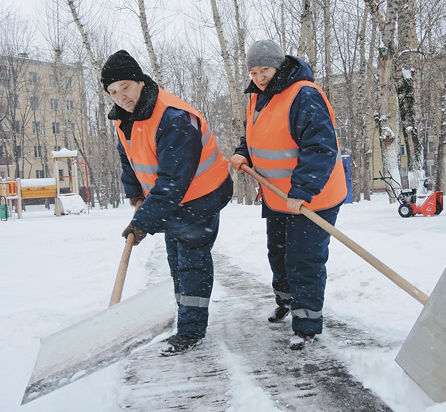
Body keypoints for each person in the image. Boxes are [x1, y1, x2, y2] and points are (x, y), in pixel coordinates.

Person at [101, 50, 233, 356]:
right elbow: (129, 160)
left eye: (125, 87)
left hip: (201, 196)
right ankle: (185, 315)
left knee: (191, 262)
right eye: (112, 92)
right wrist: (135, 195)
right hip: (174, 199)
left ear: (139, 82)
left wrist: (143, 221)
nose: (120, 97)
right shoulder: (125, 119)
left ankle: (190, 330)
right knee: (177, 259)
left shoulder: (173, 117)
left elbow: (173, 181)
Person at [230, 40, 347, 350]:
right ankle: (286, 302)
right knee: (278, 253)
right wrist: (244, 153)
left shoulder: (304, 94)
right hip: (277, 195)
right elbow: (254, 136)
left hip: (312, 197)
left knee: (303, 260)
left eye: (264, 70)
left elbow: (320, 147)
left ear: (278, 66)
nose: (259, 77)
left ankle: (307, 325)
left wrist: (303, 191)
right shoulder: (257, 97)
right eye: (253, 71)